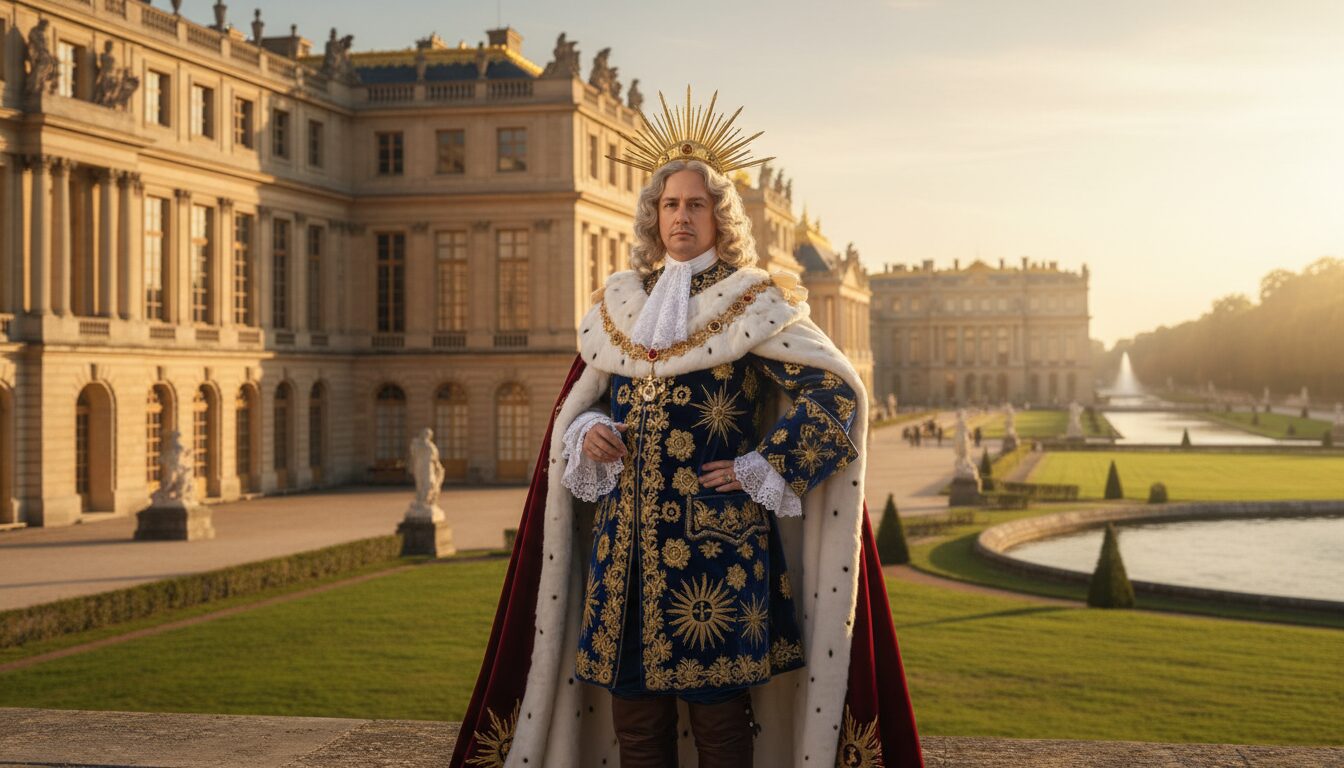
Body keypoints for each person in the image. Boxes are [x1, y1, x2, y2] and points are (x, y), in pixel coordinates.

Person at [450, 88, 922, 768]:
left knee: (720, 725)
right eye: (670, 204)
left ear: (719, 217)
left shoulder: (753, 301)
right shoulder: (624, 304)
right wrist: (586, 433)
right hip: (622, 555)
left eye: (695, 204)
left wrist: (764, 466)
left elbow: (837, 393)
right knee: (635, 721)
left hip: (717, 554)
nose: (680, 216)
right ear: (654, 215)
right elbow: (587, 401)